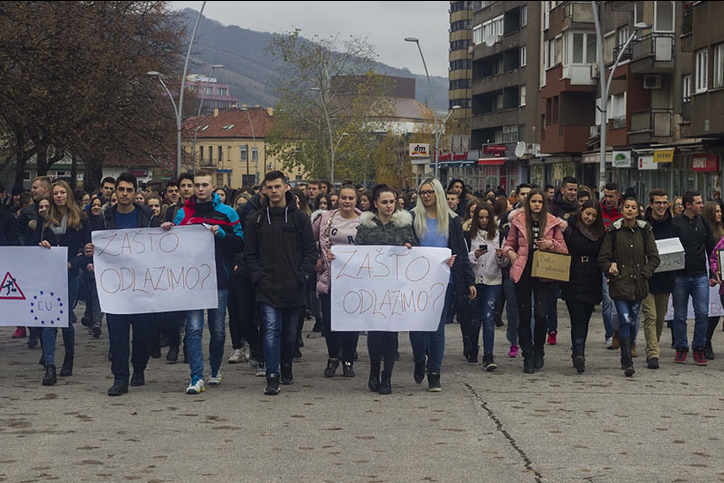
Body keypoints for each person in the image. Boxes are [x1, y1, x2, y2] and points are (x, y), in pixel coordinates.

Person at [165, 168, 244, 394]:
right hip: (192, 280)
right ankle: (196, 377)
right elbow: (173, 246)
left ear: (213, 187)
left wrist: (221, 234)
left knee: (218, 330)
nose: (200, 189)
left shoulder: (228, 213)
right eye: (196, 185)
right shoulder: (182, 213)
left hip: (219, 279)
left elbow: (240, 242)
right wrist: (167, 230)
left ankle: (215, 369)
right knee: (194, 329)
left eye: (204, 185)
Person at [85, 173, 160, 396]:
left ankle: (139, 367)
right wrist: (90, 251)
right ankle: (120, 378)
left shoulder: (148, 218)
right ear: (115, 193)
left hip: (142, 284)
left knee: (142, 332)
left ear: (136, 193)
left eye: (129, 190)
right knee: (117, 333)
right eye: (121, 190)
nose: (125, 194)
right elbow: (93, 245)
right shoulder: (103, 218)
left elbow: (161, 246)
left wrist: (166, 230)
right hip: (115, 286)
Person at [243, 171, 317, 396]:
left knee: (290, 334)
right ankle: (271, 374)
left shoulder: (299, 218)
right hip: (267, 287)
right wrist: (257, 276)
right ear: (264, 190)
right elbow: (249, 253)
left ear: (286, 187)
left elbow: (310, 252)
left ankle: (286, 366)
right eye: (269, 187)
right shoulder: (256, 219)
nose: (274, 191)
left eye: (277, 186)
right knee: (271, 330)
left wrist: (302, 276)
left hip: (294, 286)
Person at [410, 179, 475, 391]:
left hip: (443, 281)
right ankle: (420, 359)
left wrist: (468, 281)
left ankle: (434, 373)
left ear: (438, 193)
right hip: (417, 282)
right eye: (422, 192)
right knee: (417, 328)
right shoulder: (411, 218)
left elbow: (461, 252)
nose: (426, 196)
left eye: (430, 192)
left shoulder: (452, 220)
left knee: (437, 328)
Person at [355, 184, 417, 394]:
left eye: (392, 202)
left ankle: (387, 377)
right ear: (375, 204)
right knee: (375, 333)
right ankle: (374, 371)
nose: (389, 206)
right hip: (373, 287)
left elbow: (415, 252)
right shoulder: (366, 226)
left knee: (391, 333)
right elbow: (356, 254)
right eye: (384, 202)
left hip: (395, 288)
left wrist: (409, 248)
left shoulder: (403, 226)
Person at [503, 188, 568, 373]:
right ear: (528, 203)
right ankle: (527, 355)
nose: (537, 205)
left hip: (544, 271)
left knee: (540, 315)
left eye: (540, 202)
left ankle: (539, 350)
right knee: (524, 316)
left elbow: (564, 249)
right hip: (523, 270)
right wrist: (511, 253)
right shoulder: (518, 221)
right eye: (534, 201)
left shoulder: (552, 223)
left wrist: (551, 244)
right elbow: (509, 243)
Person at [35, 180, 90, 385]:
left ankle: (69, 358)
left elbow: (87, 251)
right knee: (49, 320)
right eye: (55, 193)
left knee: (65, 319)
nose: (59, 196)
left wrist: (71, 263)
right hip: (48, 275)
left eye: (62, 193)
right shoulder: (45, 219)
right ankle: (50, 366)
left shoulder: (81, 219)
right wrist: (43, 245)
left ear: (68, 195)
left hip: (70, 274)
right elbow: (34, 245)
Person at [598, 197, 660, 377]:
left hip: (639, 284)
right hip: (620, 284)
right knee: (624, 319)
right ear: (622, 209)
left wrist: (645, 272)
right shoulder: (614, 231)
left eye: (634, 207)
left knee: (633, 321)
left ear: (638, 211)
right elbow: (603, 257)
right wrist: (611, 269)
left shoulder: (645, 231)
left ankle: (629, 346)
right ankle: (627, 359)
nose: (630, 210)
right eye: (627, 207)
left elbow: (654, 257)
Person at [314, 185, 361, 378]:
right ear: (338, 199)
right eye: (344, 197)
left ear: (356, 200)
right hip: (330, 277)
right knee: (330, 321)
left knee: (351, 322)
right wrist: (318, 257)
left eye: (351, 198)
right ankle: (333, 357)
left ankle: (348, 360)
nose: (347, 201)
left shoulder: (364, 221)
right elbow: (309, 238)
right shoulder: (326, 219)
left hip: (355, 279)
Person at [670, 191, 717, 365]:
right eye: (698, 203)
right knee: (680, 315)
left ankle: (699, 348)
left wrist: (713, 273)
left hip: (700, 276)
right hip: (679, 276)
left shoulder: (703, 222)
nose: (701, 205)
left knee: (702, 314)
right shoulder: (675, 223)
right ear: (688, 205)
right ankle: (681, 347)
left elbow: (711, 248)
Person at [562, 199, 605, 373]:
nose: (590, 218)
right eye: (588, 214)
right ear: (581, 212)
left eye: (594, 215)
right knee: (577, 316)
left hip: (592, 277)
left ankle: (579, 349)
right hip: (573, 275)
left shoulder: (600, 232)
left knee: (586, 317)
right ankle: (578, 351)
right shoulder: (570, 228)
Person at [468, 202, 507, 369]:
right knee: (475, 319)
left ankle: (489, 355)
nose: (484, 220)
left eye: (487, 217)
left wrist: (500, 256)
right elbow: (465, 258)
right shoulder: (469, 235)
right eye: (481, 217)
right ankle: (473, 349)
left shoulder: (499, 235)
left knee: (489, 317)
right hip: (476, 280)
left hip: (493, 280)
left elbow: (504, 263)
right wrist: (474, 254)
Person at [641, 189, 676, 369]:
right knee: (651, 316)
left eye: (664, 203)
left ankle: (652, 345)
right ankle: (653, 354)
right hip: (646, 277)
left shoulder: (673, 223)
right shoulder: (643, 224)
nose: (662, 206)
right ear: (651, 204)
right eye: (658, 203)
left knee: (660, 319)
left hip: (665, 277)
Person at [546, 176, 580, 346]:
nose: (572, 193)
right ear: (562, 190)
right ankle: (552, 330)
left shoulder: (579, 208)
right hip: (556, 256)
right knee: (551, 296)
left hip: (574, 256)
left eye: (575, 190)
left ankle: (577, 332)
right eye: (570, 189)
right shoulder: (552, 208)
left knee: (573, 297)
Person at [601, 182, 624, 349]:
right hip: (604, 261)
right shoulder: (598, 211)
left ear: (618, 196)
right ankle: (610, 334)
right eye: (606, 195)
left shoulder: (626, 213)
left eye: (611, 196)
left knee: (622, 301)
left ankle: (622, 334)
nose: (608, 199)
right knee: (607, 300)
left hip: (623, 261)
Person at [703, 201, 724, 360]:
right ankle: (706, 341)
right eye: (716, 211)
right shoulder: (706, 230)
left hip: (720, 279)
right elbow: (714, 255)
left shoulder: (721, 231)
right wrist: (715, 270)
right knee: (710, 312)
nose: (720, 214)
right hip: (710, 275)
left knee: (716, 312)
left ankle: (707, 340)